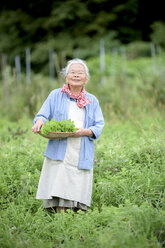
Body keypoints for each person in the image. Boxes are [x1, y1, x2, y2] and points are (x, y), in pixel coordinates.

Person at [32, 58, 104, 213]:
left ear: (86, 78)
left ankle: (74, 219)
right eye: (72, 72)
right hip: (59, 147)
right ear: (66, 77)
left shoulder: (92, 100)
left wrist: (84, 131)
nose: (76, 75)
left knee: (77, 183)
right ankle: (60, 219)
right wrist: (39, 122)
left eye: (80, 73)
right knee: (59, 181)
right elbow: (43, 114)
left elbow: (98, 126)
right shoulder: (55, 95)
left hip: (81, 149)